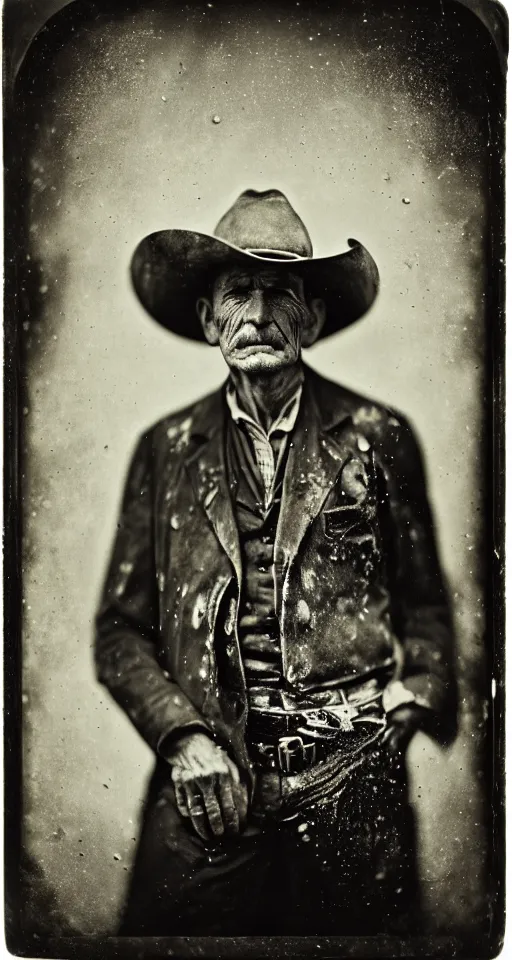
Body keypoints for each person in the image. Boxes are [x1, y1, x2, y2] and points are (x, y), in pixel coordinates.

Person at [95, 188, 457, 936]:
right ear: (207, 319)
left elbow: (427, 609)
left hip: (353, 782)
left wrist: (412, 700)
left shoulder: (376, 437)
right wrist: (184, 738)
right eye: (237, 293)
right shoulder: (165, 452)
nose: (257, 314)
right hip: (212, 792)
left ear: (313, 318)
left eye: (279, 293)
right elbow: (119, 633)